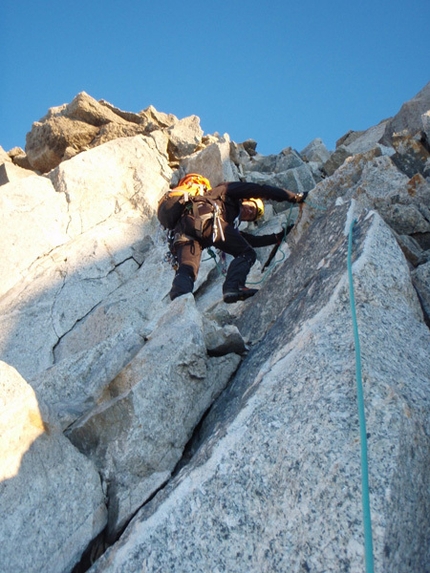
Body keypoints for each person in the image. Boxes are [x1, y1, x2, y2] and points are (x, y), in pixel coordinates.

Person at [167, 173, 307, 303]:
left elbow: (251, 241)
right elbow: (261, 189)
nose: (250, 212)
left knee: (187, 270)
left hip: (186, 229)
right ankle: (233, 286)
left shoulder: (229, 223)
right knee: (246, 253)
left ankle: (178, 303)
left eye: (253, 215)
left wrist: (279, 236)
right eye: (252, 207)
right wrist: (294, 197)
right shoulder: (226, 192)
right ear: (246, 199)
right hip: (205, 219)